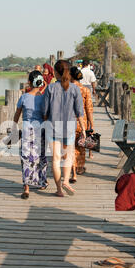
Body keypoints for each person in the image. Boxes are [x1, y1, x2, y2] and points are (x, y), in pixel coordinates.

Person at [43, 60, 86, 197]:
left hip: (53, 126)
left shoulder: (50, 88)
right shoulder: (74, 88)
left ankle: (59, 190)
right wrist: (84, 129)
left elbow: (44, 111)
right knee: (67, 157)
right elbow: (80, 111)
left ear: (55, 72)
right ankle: (66, 181)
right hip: (69, 127)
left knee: (55, 159)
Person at [13, 71, 48, 199]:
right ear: (41, 82)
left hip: (27, 129)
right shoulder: (44, 98)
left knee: (26, 157)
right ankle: (42, 182)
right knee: (41, 155)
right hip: (40, 129)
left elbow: (17, 113)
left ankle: (26, 186)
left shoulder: (24, 97)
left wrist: (13, 126)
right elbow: (45, 116)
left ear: (29, 82)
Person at [69, 66, 94, 183]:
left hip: (68, 122)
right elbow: (89, 109)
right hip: (81, 122)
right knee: (81, 146)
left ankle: (71, 168)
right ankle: (79, 167)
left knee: (70, 146)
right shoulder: (85, 90)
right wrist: (91, 125)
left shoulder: (66, 90)